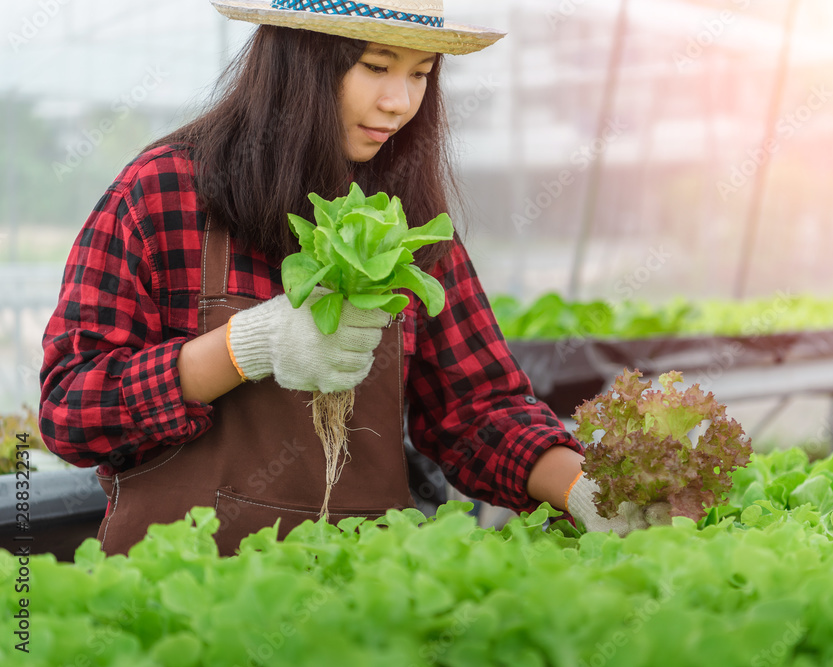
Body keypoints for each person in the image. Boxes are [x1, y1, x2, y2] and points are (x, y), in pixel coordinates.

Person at [39, 0, 646, 556]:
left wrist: (582, 487)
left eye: (420, 73)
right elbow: (70, 410)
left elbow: (478, 408)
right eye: (377, 66)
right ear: (296, 62)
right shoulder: (164, 192)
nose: (399, 102)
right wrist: (242, 349)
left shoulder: (405, 223)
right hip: (185, 597)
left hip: (361, 592)